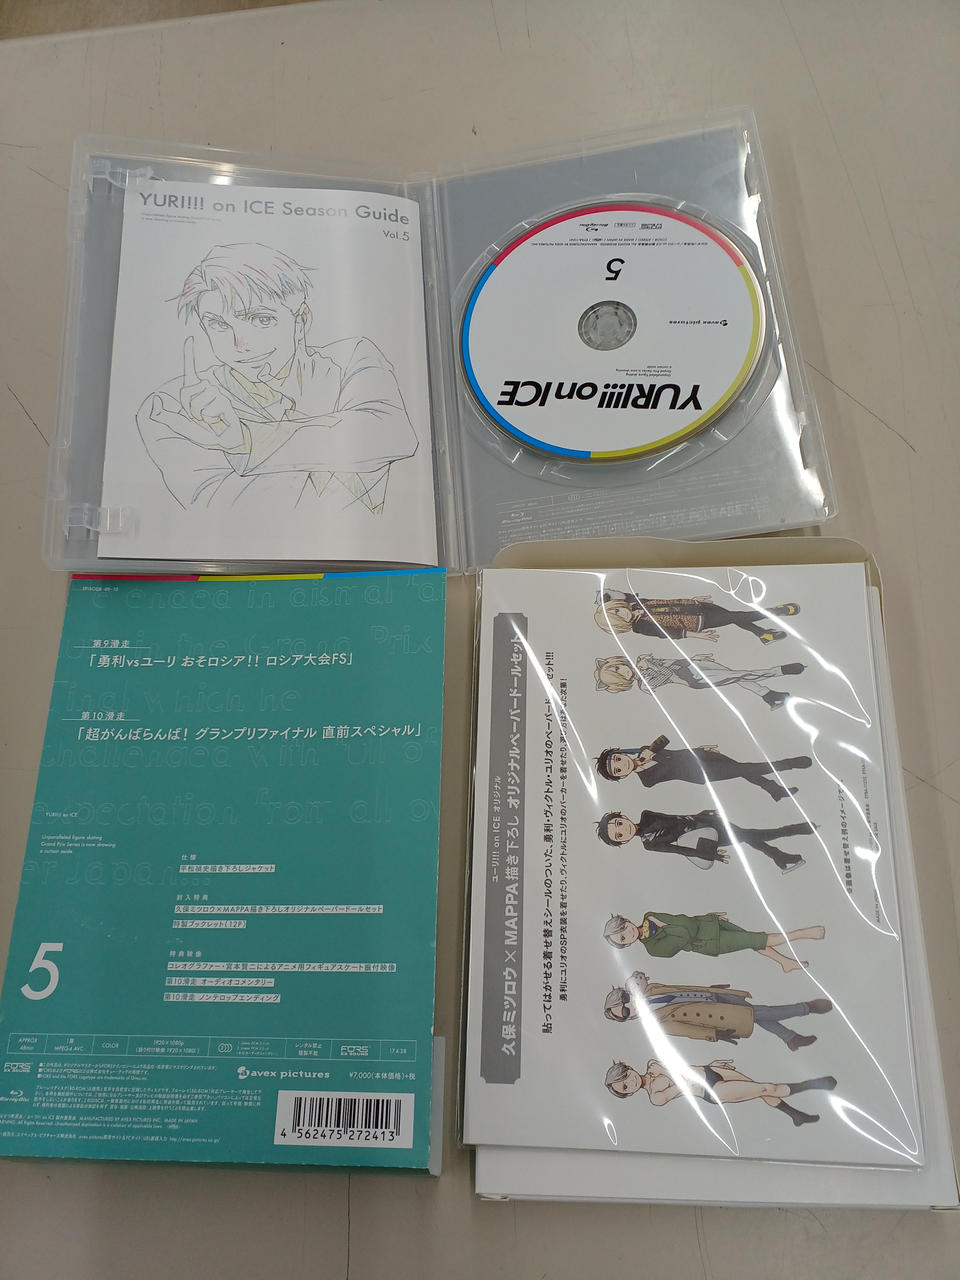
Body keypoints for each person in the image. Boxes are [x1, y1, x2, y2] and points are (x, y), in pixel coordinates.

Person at [136, 242, 418, 511]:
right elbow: (228, 509)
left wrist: (247, 441)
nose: (239, 345)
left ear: (301, 321)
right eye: (218, 324)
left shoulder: (350, 360)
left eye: (261, 320)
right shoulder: (173, 405)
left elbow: (392, 434)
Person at [602, 970, 833, 1052]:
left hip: (713, 998)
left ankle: (790, 1038)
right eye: (625, 1012)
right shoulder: (656, 1024)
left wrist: (710, 988)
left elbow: (682, 989)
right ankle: (807, 1008)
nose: (629, 1005)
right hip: (715, 1016)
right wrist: (713, 1035)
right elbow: (686, 1030)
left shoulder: (652, 990)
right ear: (629, 1018)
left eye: (624, 999)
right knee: (758, 1013)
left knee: (754, 1013)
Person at [603, 1058, 837, 1126]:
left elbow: (684, 1067)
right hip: (711, 1090)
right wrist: (666, 1071)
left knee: (759, 1088)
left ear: (628, 1068)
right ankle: (812, 1084)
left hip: (710, 1071)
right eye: (625, 1087)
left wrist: (710, 1065)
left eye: (625, 1076)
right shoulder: (655, 1097)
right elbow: (682, 1085)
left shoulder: (652, 1064)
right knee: (765, 1088)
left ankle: (795, 1115)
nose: (630, 1082)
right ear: (629, 1094)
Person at [602, 910, 826, 974]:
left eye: (623, 928)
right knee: (757, 938)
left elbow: (684, 920)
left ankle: (784, 962)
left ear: (626, 920)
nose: (627, 933)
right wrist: (664, 925)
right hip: (708, 941)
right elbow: (685, 934)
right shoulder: (653, 949)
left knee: (753, 940)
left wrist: (707, 917)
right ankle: (803, 934)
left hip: (708, 923)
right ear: (626, 945)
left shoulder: (648, 916)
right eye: (622, 938)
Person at [596, 808, 814, 873]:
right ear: (623, 842)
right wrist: (710, 855)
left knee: (749, 835)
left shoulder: (646, 815)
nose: (623, 830)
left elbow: (677, 818)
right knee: (750, 835)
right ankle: (795, 833)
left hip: (705, 822)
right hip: (705, 839)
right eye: (619, 835)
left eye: (618, 824)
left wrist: (701, 814)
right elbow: (680, 850)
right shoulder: (649, 845)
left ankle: (780, 856)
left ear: (622, 817)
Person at [594, 739, 813, 800]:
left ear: (621, 753)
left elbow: (672, 748)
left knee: (743, 769)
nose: (622, 765)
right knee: (745, 768)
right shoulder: (647, 780)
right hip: (700, 774)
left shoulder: (644, 749)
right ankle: (788, 764)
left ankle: (773, 789)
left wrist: (699, 749)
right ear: (622, 776)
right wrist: (650, 758)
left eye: (617, 759)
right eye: (617, 770)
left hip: (700, 757)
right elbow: (671, 767)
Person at [594, 652, 805, 711]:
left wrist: (693, 658)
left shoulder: (642, 659)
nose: (623, 672)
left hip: (692, 665)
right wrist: (650, 666)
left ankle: (769, 696)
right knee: (739, 675)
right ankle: (779, 671)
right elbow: (666, 676)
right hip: (693, 679)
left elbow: (671, 661)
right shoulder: (643, 684)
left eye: (617, 668)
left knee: (734, 675)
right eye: (619, 677)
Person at [595, 589, 800, 645]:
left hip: (697, 606)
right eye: (616, 616)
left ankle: (762, 634)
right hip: (699, 622)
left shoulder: (636, 604)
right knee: (738, 616)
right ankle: (776, 611)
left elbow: (666, 602)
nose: (621, 612)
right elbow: (669, 633)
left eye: (615, 609)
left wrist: (693, 600)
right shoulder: (641, 627)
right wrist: (697, 635)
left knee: (736, 617)